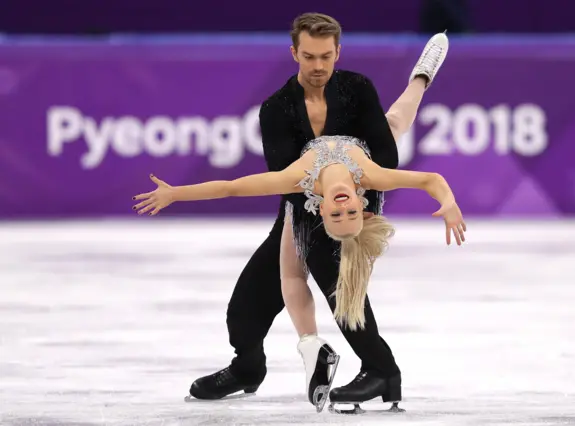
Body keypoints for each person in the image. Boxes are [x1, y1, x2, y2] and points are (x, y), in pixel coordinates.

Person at [134, 12, 450, 413]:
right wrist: (177, 194)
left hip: (358, 181)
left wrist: (358, 206)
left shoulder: (356, 88)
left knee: (340, 280)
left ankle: (381, 370)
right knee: (245, 305)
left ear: (338, 53)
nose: (318, 67)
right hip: (306, 197)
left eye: (326, 57)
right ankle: (247, 368)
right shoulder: (277, 109)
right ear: (294, 54)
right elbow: (268, 185)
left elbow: (386, 155)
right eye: (309, 57)